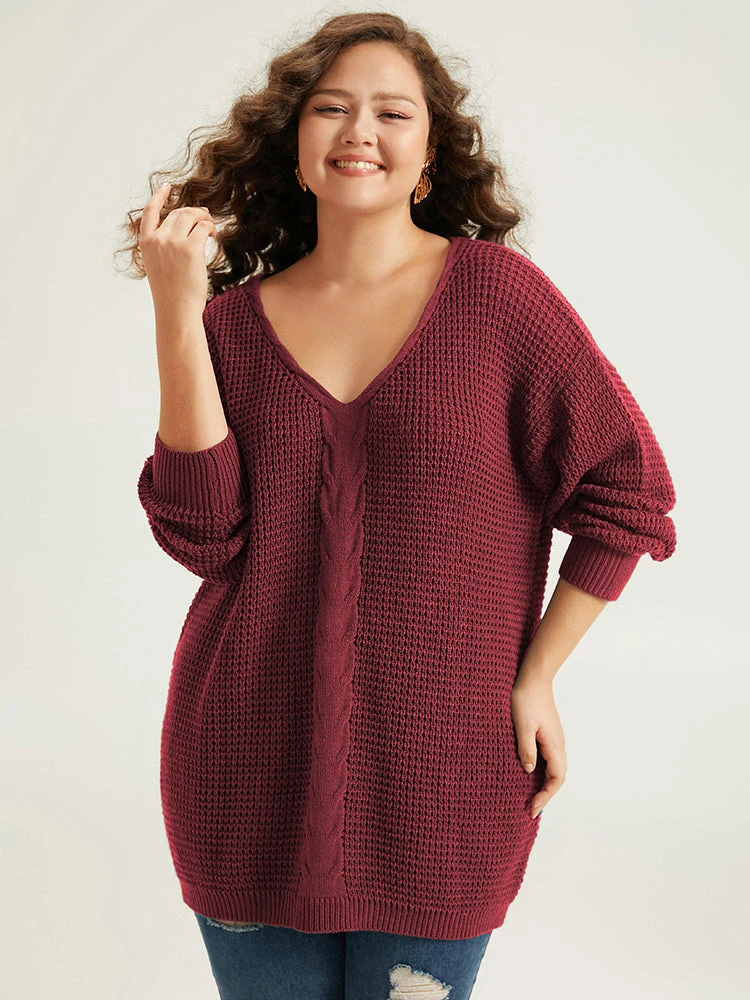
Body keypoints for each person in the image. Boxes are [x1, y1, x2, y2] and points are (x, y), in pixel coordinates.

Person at [121, 11, 677, 999]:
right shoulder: (229, 327)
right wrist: (176, 306)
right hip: (246, 776)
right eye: (331, 108)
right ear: (294, 142)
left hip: (446, 784)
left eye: (392, 112)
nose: (359, 131)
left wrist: (538, 674)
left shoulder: (500, 301)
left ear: (430, 152)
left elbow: (626, 490)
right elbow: (202, 535)